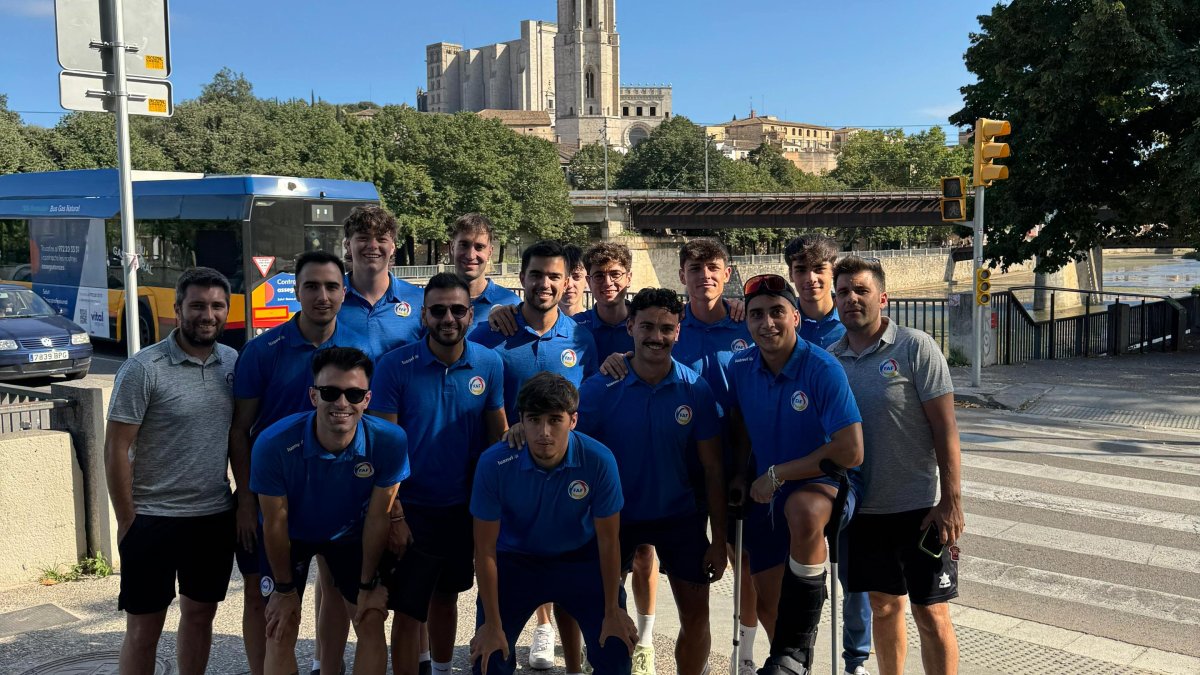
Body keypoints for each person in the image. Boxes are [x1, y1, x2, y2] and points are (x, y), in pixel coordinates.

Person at [576, 287, 727, 675]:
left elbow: (713, 468)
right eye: (646, 326)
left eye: (666, 328)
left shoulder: (696, 389)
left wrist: (720, 540)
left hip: (681, 515)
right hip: (616, 517)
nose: (656, 337)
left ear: (679, 332)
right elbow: (574, 457)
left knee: (696, 618)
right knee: (607, 615)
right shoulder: (598, 388)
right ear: (630, 327)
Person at [229, 250, 363, 675]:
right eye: (311, 286)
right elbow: (240, 430)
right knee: (271, 603)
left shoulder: (361, 347)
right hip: (276, 500)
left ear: (344, 291)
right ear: (296, 291)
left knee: (338, 592)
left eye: (331, 286)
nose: (322, 296)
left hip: (340, 497)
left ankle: (330, 667)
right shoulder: (263, 350)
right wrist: (247, 500)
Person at [828, 257, 963, 675]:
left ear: (882, 298)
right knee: (883, 607)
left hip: (919, 510)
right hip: (862, 512)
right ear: (835, 301)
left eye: (861, 290)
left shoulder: (915, 346)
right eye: (844, 292)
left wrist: (951, 500)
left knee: (931, 614)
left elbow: (945, 428)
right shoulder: (829, 361)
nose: (852, 298)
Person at [369, 273, 509, 675]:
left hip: (462, 508)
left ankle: (443, 669)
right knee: (409, 608)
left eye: (458, 310)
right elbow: (384, 445)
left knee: (447, 598)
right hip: (410, 507)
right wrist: (394, 515)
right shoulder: (395, 366)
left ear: (470, 314)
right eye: (439, 310)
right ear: (424, 315)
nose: (449, 318)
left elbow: (496, 438)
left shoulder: (489, 363)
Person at [725, 274, 864, 675]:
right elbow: (739, 422)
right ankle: (791, 662)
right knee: (769, 601)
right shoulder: (740, 366)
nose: (767, 323)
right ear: (747, 322)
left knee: (803, 511)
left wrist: (778, 473)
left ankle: (793, 650)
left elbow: (851, 451)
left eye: (777, 313)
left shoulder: (822, 367)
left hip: (824, 483)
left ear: (796, 317)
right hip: (767, 491)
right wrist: (740, 473)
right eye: (757, 315)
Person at [104, 267, 239, 675]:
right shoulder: (144, 368)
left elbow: (237, 436)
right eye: (197, 305)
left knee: (200, 617)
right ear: (178, 309)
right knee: (145, 630)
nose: (208, 314)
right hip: (152, 519)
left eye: (217, 306)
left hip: (212, 518)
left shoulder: (232, 362)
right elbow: (116, 446)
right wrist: (127, 519)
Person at [470, 239, 598, 671]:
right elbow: (479, 400)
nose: (544, 283)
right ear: (521, 277)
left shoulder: (582, 337)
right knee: (510, 563)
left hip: (565, 474)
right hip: (508, 475)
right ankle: (503, 635)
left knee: (566, 559)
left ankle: (574, 658)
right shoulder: (491, 333)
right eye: (537, 274)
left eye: (554, 276)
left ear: (566, 283)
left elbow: (591, 400)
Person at [251, 347, 410, 675]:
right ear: (313, 396)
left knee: (370, 618)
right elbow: (275, 523)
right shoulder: (273, 443)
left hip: (349, 534)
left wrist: (367, 586)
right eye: (330, 392)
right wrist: (284, 589)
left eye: (353, 394)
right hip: (291, 534)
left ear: (367, 399)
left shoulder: (390, 441)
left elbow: (379, 517)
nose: (341, 403)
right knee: (281, 626)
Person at [469, 372, 638, 675]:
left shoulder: (599, 459)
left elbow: (609, 541)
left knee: (616, 651)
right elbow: (484, 549)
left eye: (555, 420)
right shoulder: (494, 463)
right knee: (489, 660)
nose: (544, 432)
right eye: (534, 419)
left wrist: (613, 610)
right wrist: (492, 625)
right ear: (520, 419)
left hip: (580, 560)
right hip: (516, 562)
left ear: (573, 420)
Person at [784, 235, 873, 675]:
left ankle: (855, 660)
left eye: (819, 270)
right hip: (797, 463)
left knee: (851, 578)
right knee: (802, 576)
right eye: (801, 270)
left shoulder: (851, 326)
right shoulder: (784, 323)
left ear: (832, 273)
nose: (811, 278)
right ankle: (803, 655)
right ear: (792, 277)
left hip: (847, 468)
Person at [338, 205, 424, 361]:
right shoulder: (330, 298)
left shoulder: (420, 300)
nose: (373, 245)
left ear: (392, 248)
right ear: (348, 246)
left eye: (381, 239)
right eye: (363, 237)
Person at [449, 213, 520, 330]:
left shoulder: (511, 303)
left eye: (479, 247)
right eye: (464, 245)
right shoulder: (431, 302)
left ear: (490, 252)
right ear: (452, 248)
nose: (470, 255)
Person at [573, 242, 636, 360]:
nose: (607, 282)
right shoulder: (575, 327)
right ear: (588, 282)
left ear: (628, 278)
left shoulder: (646, 324)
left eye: (615, 274)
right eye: (599, 276)